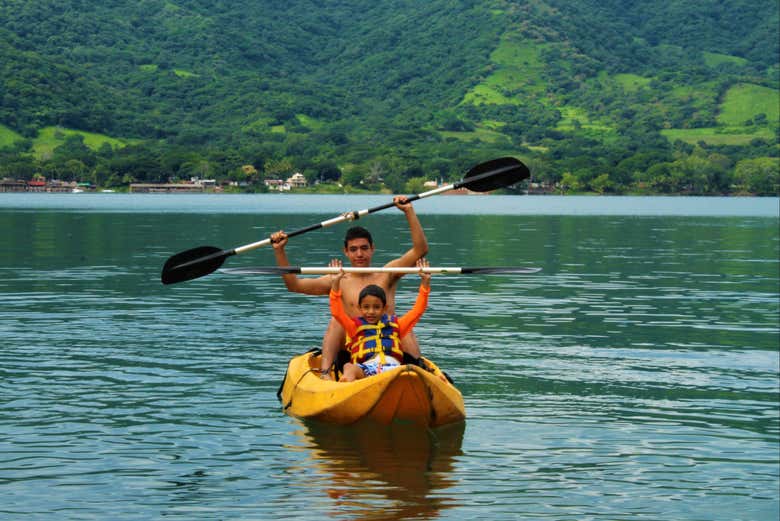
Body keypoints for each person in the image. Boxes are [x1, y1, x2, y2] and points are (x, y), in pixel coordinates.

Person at [270, 196, 428, 379]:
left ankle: (420, 373)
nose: (359, 254)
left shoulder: (388, 273)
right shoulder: (338, 279)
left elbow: (420, 249)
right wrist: (279, 251)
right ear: (346, 252)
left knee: (399, 324)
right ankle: (326, 374)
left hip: (389, 347)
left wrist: (409, 211)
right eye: (353, 249)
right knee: (336, 321)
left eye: (364, 248)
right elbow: (294, 285)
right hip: (355, 348)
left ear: (372, 249)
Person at [329, 258, 431, 381]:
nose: (371, 311)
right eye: (366, 307)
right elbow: (337, 312)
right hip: (368, 369)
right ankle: (346, 388)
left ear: (384, 308)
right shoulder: (354, 327)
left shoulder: (396, 325)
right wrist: (335, 284)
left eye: (376, 307)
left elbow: (417, 311)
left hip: (394, 369)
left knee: (411, 368)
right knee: (348, 367)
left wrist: (425, 283)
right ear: (360, 309)